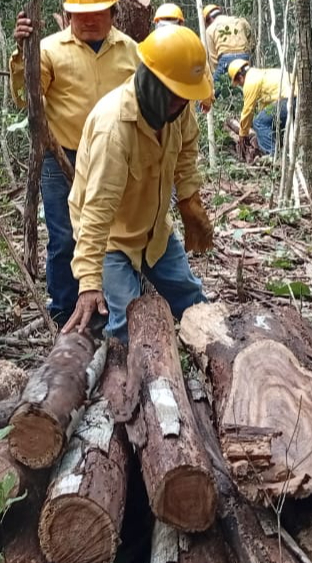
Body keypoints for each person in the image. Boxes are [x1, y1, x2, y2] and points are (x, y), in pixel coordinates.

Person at [63, 26, 215, 343]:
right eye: (174, 95)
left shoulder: (179, 109)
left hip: (155, 231)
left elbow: (187, 151)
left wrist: (189, 199)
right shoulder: (113, 129)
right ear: (150, 79)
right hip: (113, 240)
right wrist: (89, 281)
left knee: (193, 301)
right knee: (127, 324)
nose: (180, 104)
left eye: (185, 97)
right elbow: (96, 213)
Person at [10, 0, 139, 326]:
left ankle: (120, 305)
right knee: (65, 237)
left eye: (98, 13)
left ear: (113, 12)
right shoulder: (50, 49)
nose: (90, 21)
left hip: (116, 158)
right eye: (81, 14)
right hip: (62, 155)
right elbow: (24, 98)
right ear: (67, 14)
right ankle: (66, 312)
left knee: (118, 233)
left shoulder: (132, 52)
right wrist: (23, 56)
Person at [229, 58, 294, 157]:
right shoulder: (258, 74)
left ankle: (273, 156)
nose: (240, 85)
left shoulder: (250, 81)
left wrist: (243, 134)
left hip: (288, 100)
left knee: (259, 122)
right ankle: (281, 151)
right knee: (268, 122)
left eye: (239, 83)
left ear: (240, 77)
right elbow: (266, 108)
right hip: (296, 99)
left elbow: (248, 110)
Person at [200, 3, 254, 96]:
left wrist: (216, 73)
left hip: (225, 60)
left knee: (211, 91)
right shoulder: (239, 20)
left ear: (209, 19)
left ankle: (206, 104)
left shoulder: (210, 30)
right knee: (248, 86)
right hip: (244, 56)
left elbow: (213, 57)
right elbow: (251, 38)